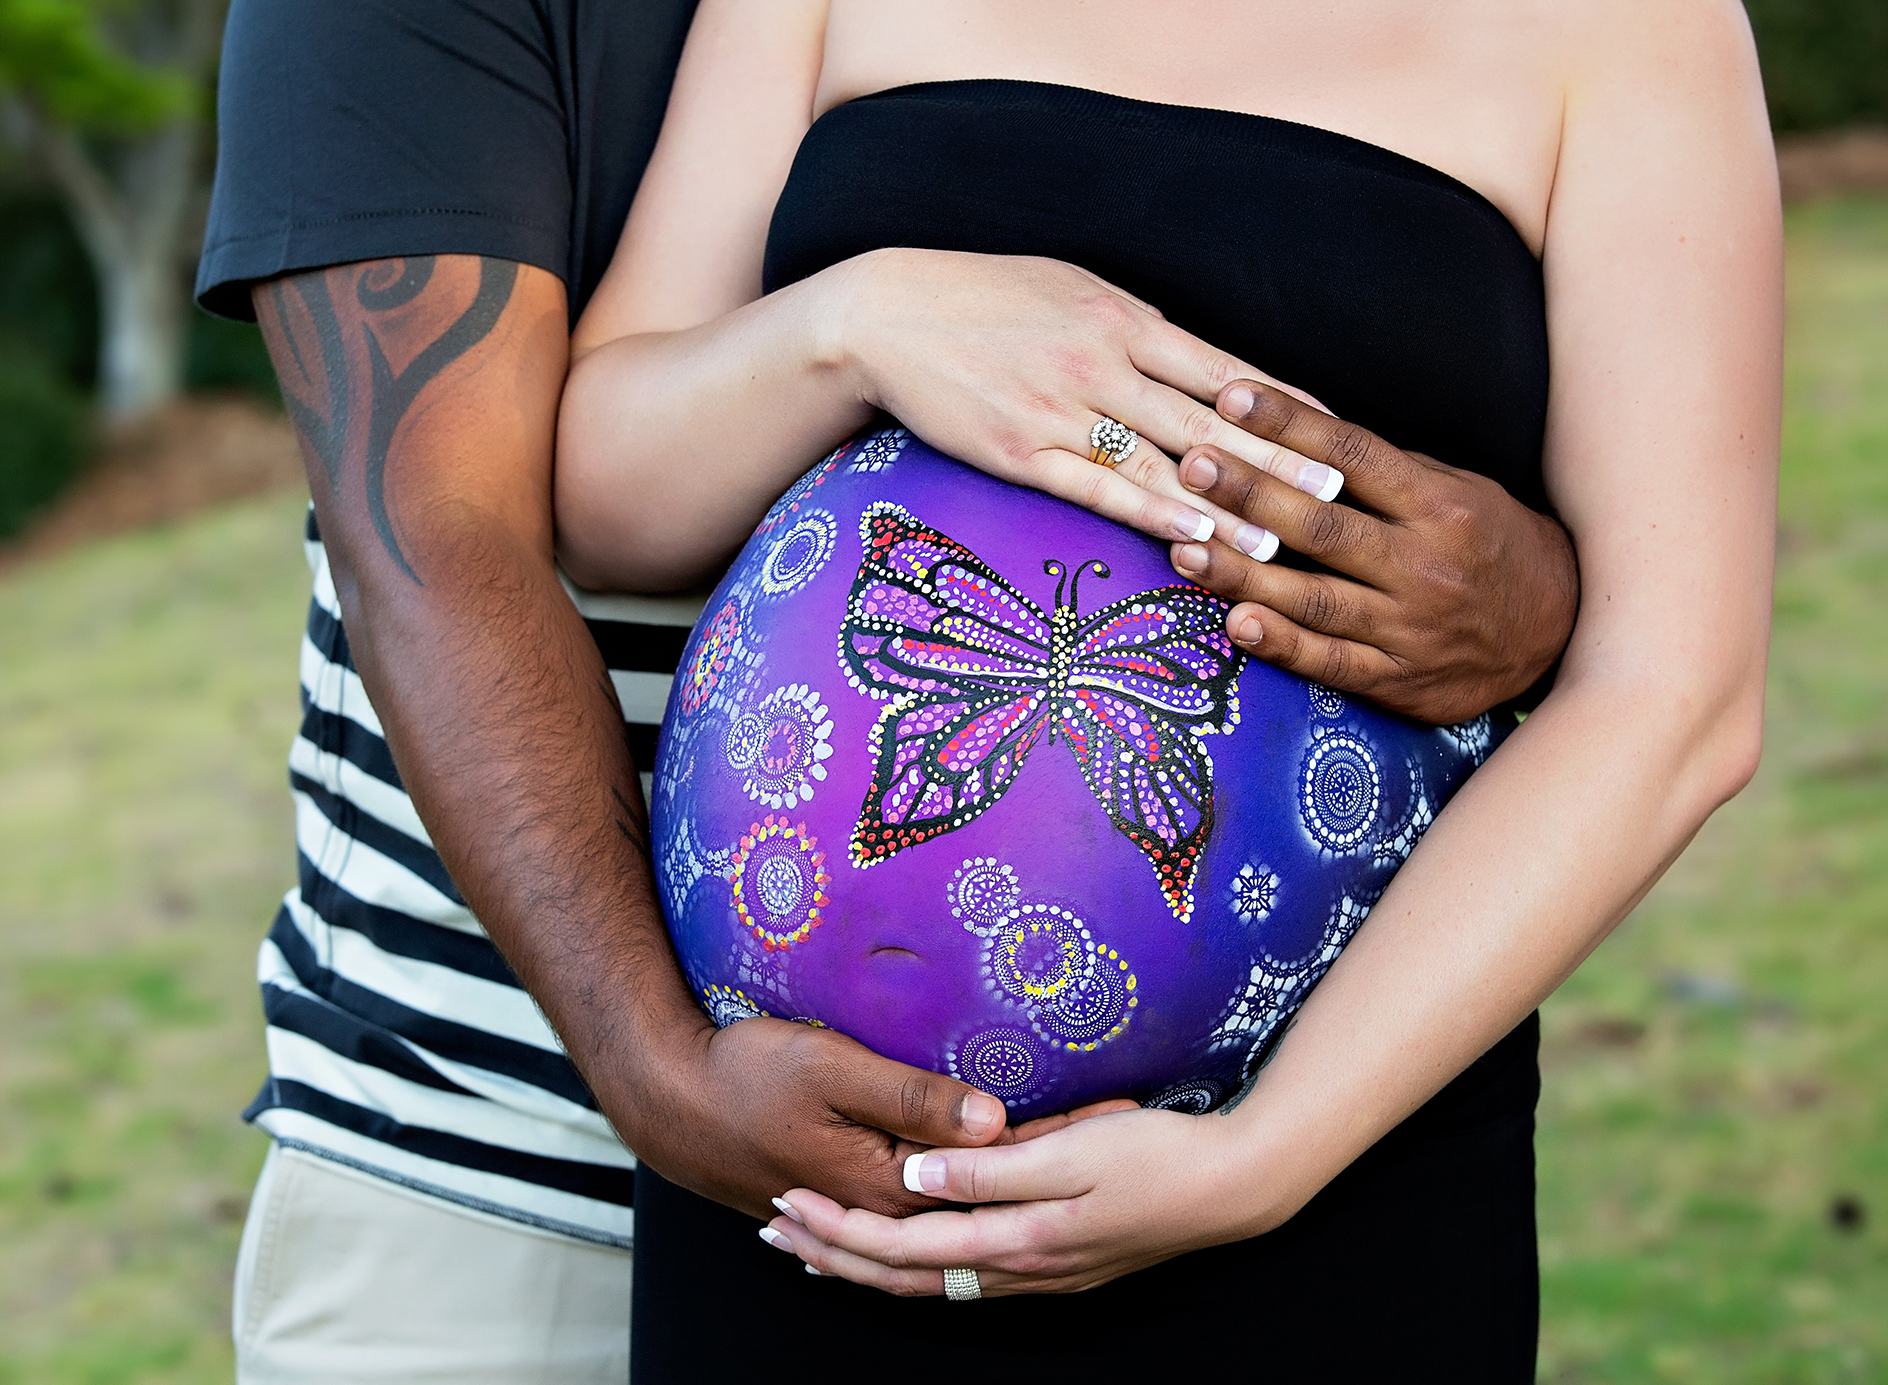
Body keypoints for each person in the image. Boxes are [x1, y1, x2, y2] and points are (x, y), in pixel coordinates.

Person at [197, 0, 1580, 1378]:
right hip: (515, 1136)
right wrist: (659, 1074)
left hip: (1288, 1148)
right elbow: (440, 533)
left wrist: (1550, 587)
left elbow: (1634, 597)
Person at [552, 0, 1779, 1379]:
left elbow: (1672, 686)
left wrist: (1263, 1155)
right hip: (798, 1173)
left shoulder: (1635, 27)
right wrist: (855, 322)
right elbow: (603, 497)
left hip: (1332, 1176)